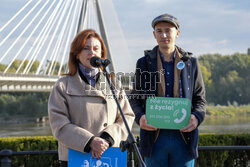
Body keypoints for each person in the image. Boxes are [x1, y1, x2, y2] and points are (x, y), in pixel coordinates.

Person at [48, 29, 135, 167]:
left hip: (108, 154)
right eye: (86, 48)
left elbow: (127, 116)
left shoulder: (113, 82)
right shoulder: (63, 85)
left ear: (101, 53)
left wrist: (107, 138)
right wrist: (90, 141)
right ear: (76, 54)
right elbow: (58, 124)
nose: (92, 52)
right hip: (76, 156)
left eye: (96, 48)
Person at [130, 13, 206, 167]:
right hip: (154, 138)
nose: (163, 35)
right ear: (154, 34)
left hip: (184, 138)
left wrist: (197, 117)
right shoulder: (143, 63)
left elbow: (200, 99)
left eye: (168, 30)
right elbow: (134, 98)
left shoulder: (191, 63)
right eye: (159, 31)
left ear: (177, 33)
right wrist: (140, 117)